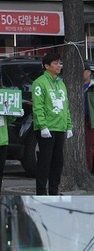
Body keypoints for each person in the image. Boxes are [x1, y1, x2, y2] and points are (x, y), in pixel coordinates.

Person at [32, 52, 73, 195]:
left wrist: (69, 125)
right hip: (47, 127)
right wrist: (43, 126)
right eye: (55, 63)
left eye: (60, 63)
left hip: (60, 127)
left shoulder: (61, 83)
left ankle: (54, 190)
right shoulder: (39, 82)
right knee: (45, 161)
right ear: (46, 66)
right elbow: (38, 107)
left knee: (58, 162)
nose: (59, 66)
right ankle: (41, 192)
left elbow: (65, 106)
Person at [84, 63, 94, 173]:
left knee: (88, 145)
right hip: (77, 119)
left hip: (89, 120)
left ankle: (88, 170)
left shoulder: (92, 86)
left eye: (84, 70)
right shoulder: (74, 86)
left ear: (89, 73)